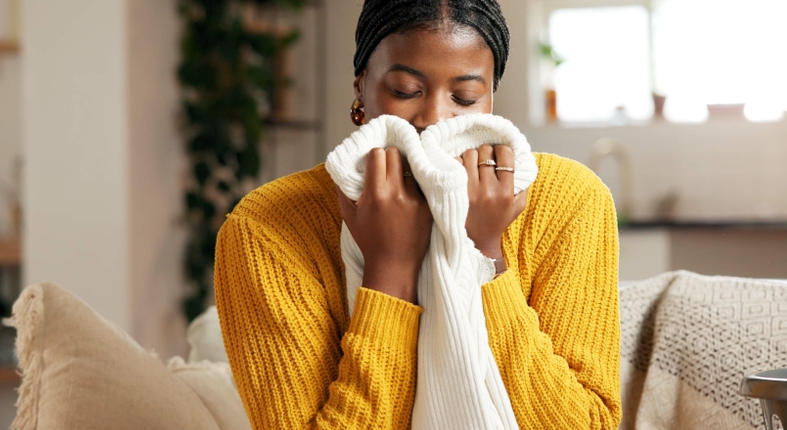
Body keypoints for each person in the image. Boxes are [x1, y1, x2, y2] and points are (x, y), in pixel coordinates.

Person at [214, 1, 621, 428]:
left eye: (464, 97)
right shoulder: (267, 229)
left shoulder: (570, 200)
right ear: (361, 89)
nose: (434, 120)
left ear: (491, 101)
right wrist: (389, 270)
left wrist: (483, 254)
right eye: (407, 91)